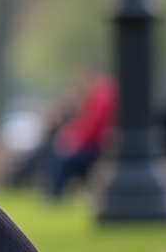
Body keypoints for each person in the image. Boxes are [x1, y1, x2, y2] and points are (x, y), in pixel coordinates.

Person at [46, 69, 116, 199]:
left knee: (62, 158)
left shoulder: (101, 97)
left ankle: (55, 196)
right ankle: (54, 195)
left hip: (95, 149)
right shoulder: (97, 95)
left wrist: (73, 143)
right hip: (94, 146)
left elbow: (91, 127)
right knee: (56, 151)